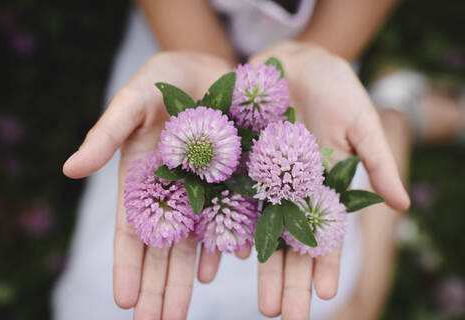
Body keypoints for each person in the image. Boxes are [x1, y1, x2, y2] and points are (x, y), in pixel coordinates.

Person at [53, 1, 412, 319]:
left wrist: (294, 68)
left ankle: (397, 111)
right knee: (345, 307)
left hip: (303, 70)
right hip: (196, 44)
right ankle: (401, 114)